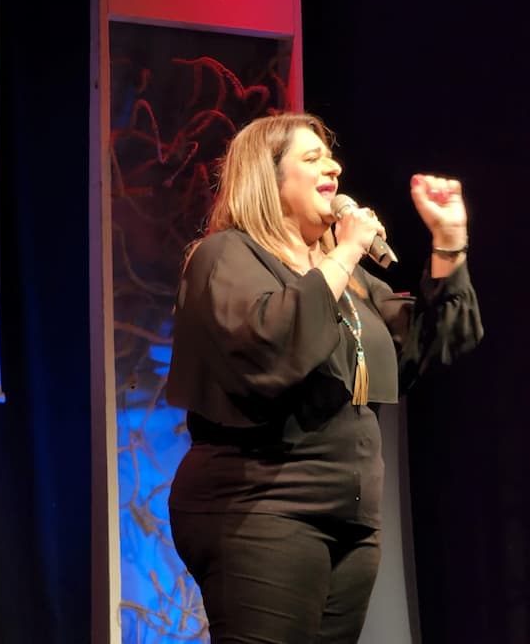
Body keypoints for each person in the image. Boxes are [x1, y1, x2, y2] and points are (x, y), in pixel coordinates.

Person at [166, 111, 483, 643]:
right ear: (269, 180)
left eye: (331, 157)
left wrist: (449, 241)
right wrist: (347, 249)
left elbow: (427, 342)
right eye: (312, 158)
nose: (333, 167)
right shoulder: (227, 255)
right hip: (261, 507)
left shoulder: (351, 280)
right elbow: (269, 345)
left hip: (350, 517)